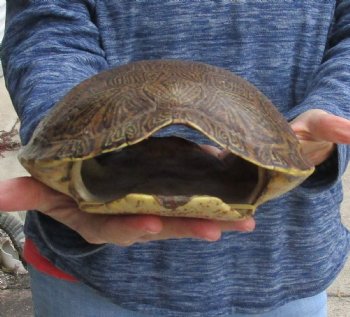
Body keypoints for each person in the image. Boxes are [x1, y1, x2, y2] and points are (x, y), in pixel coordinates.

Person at [1, 1, 350, 316]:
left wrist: (334, 108)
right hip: (90, 275)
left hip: (287, 262)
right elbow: (46, 23)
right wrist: (74, 136)